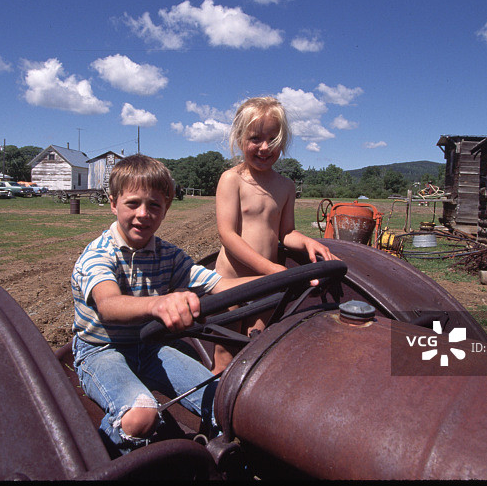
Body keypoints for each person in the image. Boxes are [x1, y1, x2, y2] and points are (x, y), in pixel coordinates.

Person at [70, 154, 254, 453]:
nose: (144, 214)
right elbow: (109, 305)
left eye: (154, 205)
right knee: (142, 416)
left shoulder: (169, 255)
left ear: (166, 209)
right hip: (102, 349)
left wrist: (283, 277)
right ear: (113, 203)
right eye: (133, 203)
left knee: (225, 400)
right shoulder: (98, 255)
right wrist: (158, 304)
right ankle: (102, 455)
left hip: (151, 346)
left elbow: (220, 284)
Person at [212, 96, 336, 373]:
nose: (264, 147)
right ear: (240, 138)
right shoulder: (232, 179)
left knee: (257, 350)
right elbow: (227, 235)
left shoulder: (286, 186)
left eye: (273, 139)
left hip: (266, 286)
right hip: (230, 283)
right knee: (224, 355)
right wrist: (272, 270)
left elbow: (286, 233)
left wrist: (307, 241)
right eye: (255, 138)